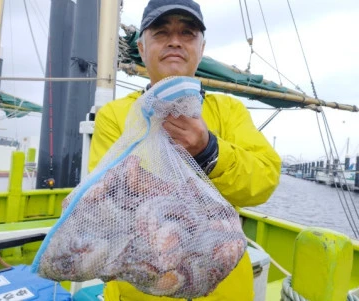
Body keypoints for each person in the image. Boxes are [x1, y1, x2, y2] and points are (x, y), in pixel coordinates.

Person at [88, 0, 282, 300]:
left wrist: (209, 150)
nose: (175, 41)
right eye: (161, 32)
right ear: (141, 48)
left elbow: (263, 181)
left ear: (201, 48)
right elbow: (104, 204)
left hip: (222, 288)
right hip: (137, 291)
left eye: (188, 33)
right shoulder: (115, 116)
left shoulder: (229, 110)